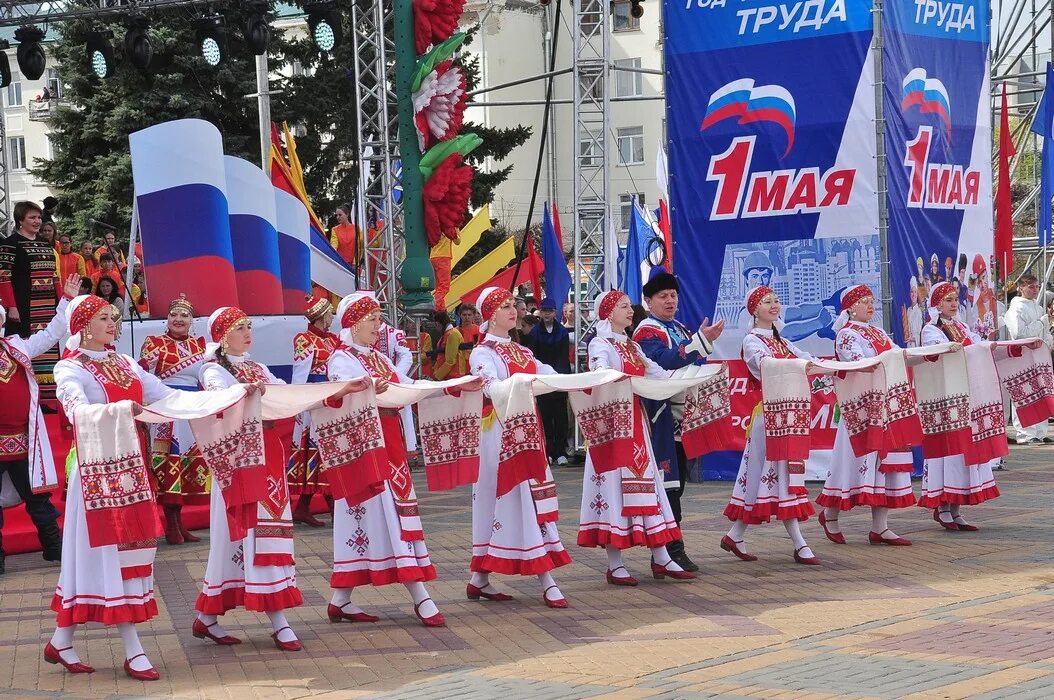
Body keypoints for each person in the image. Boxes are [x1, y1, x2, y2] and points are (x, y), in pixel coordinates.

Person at [47, 295, 182, 679]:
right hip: (95, 476)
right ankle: (133, 649)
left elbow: (168, 396)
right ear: (83, 325)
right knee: (111, 557)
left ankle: (61, 640)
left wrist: (224, 397)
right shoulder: (69, 368)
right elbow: (75, 411)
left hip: (131, 472)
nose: (112, 323)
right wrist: (122, 411)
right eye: (104, 317)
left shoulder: (125, 363)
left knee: (114, 556)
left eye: (114, 317)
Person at [325, 292, 473, 627]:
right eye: (372, 320)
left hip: (389, 445)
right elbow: (337, 396)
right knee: (384, 516)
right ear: (353, 323)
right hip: (366, 451)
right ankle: (420, 596)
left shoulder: (379, 359)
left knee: (378, 517)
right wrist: (362, 389)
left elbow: (407, 387)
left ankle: (340, 600)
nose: (379, 326)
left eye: (379, 319)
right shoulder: (341, 359)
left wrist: (453, 386)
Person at [194, 307, 304, 650]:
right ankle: (279, 620)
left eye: (248, 326)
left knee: (240, 539)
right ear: (223, 335)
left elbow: (284, 393)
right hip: (239, 465)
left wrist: (329, 392)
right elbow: (219, 398)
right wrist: (247, 392)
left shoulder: (258, 367)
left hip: (268, 458)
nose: (247, 332)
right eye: (240, 327)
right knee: (254, 534)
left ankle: (207, 618)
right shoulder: (213, 370)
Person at [578, 290, 696, 585]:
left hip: (636, 426)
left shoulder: (630, 345)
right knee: (613, 490)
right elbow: (599, 372)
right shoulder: (599, 343)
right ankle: (615, 564)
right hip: (611, 429)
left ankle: (662, 557)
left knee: (647, 487)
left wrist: (692, 378)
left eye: (629, 306)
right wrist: (625, 379)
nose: (630, 311)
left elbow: (656, 372)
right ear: (607, 313)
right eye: (622, 307)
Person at [468, 286, 572, 607]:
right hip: (499, 434)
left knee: (519, 498)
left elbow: (551, 375)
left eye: (513, 305)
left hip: (528, 431)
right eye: (504, 306)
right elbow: (492, 390)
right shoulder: (482, 353)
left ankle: (479, 578)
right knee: (514, 498)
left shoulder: (522, 351)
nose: (513, 310)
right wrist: (523, 382)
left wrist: (587, 379)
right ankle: (546, 579)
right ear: (489, 315)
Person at [632, 268, 724, 572]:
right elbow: (664, 361)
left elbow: (690, 360)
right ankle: (672, 548)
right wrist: (699, 341)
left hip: (681, 417)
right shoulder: (647, 331)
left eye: (673, 295)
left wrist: (701, 341)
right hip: (660, 416)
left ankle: (664, 551)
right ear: (648, 301)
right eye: (663, 296)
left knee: (677, 483)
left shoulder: (680, 328)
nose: (670, 301)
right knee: (669, 484)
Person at [721, 285, 820, 565]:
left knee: (765, 478)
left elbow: (808, 360)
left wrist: (843, 368)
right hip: (769, 417)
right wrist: (800, 364)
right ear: (754, 309)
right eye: (766, 301)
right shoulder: (753, 341)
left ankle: (735, 535)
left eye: (776, 300)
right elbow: (766, 366)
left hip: (788, 417)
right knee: (780, 477)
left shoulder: (783, 341)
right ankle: (800, 544)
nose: (774, 305)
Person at [816, 285, 915, 546]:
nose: (870, 305)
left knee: (884, 465)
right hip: (858, 411)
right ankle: (830, 514)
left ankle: (880, 527)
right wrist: (893, 359)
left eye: (872, 301)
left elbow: (898, 355)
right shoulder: (846, 335)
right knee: (850, 465)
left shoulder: (878, 332)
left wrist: (929, 355)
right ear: (849, 308)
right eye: (863, 301)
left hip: (884, 408)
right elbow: (861, 364)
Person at [0, 275, 79, 575]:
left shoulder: (16, 347)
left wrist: (66, 302)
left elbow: (49, 336)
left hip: (22, 439)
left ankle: (53, 547)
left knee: (37, 497)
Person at [920, 282, 999, 530]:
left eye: (955, 299)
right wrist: (958, 349)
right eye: (948, 300)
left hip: (966, 397)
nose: (954, 304)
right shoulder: (931, 329)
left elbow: (976, 345)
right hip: (945, 401)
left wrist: (990, 346)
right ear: (937, 304)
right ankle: (942, 506)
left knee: (965, 451)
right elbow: (936, 352)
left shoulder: (961, 326)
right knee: (949, 451)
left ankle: (956, 507)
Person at [137, 294, 208, 545]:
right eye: (174, 314)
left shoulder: (200, 346)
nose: (178, 319)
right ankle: (170, 525)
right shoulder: (154, 343)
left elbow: (203, 380)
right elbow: (145, 376)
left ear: (192, 321)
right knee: (168, 466)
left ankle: (180, 523)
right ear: (167, 318)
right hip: (166, 410)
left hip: (190, 411)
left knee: (187, 465)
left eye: (184, 315)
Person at [287, 294, 340, 526]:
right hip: (315, 401)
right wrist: (300, 404)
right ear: (321, 316)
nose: (332, 317)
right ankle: (333, 507)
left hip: (331, 397)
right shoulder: (305, 340)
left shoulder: (333, 340)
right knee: (319, 452)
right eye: (329, 313)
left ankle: (304, 507)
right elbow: (300, 373)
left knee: (324, 453)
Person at [0, 202, 60, 402]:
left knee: (49, 346)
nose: (37, 222)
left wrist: (61, 304)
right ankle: (27, 398)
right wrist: (12, 307)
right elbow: (3, 277)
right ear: (20, 220)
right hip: (24, 308)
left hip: (47, 307)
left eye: (39, 218)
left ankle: (47, 398)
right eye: (32, 218)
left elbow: (54, 277)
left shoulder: (45, 244)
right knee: (24, 348)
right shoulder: (10, 244)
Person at [1005, 273, 1053, 444]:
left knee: (1041, 392)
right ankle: (1025, 433)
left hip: (1039, 357)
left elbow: (1044, 333)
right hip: (1023, 356)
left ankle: (1039, 432)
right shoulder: (1015, 308)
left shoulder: (1039, 308)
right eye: (1031, 286)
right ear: (1021, 288)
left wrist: (1049, 344)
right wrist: (1040, 323)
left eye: (1037, 286)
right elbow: (1019, 334)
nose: (1035, 290)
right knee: (1024, 393)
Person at [525, 298, 572, 465]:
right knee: (545, 416)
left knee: (561, 417)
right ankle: (548, 451)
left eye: (550, 310)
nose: (547, 313)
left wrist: (559, 378)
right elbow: (533, 357)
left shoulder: (562, 332)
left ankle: (561, 451)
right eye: (544, 310)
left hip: (558, 378)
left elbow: (563, 357)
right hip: (542, 380)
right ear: (540, 312)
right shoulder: (534, 333)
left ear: (555, 312)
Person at [432, 310, 467, 380]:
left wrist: (437, 376)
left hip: (454, 376)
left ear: (437, 324)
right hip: (448, 375)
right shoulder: (448, 334)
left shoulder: (452, 334)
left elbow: (450, 361)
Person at [329, 205, 363, 270]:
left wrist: (355, 263)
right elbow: (334, 244)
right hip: (340, 264)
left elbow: (359, 247)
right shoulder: (334, 229)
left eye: (340, 215)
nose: (338, 217)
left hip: (354, 264)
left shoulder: (356, 228)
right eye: (336, 215)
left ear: (347, 214)